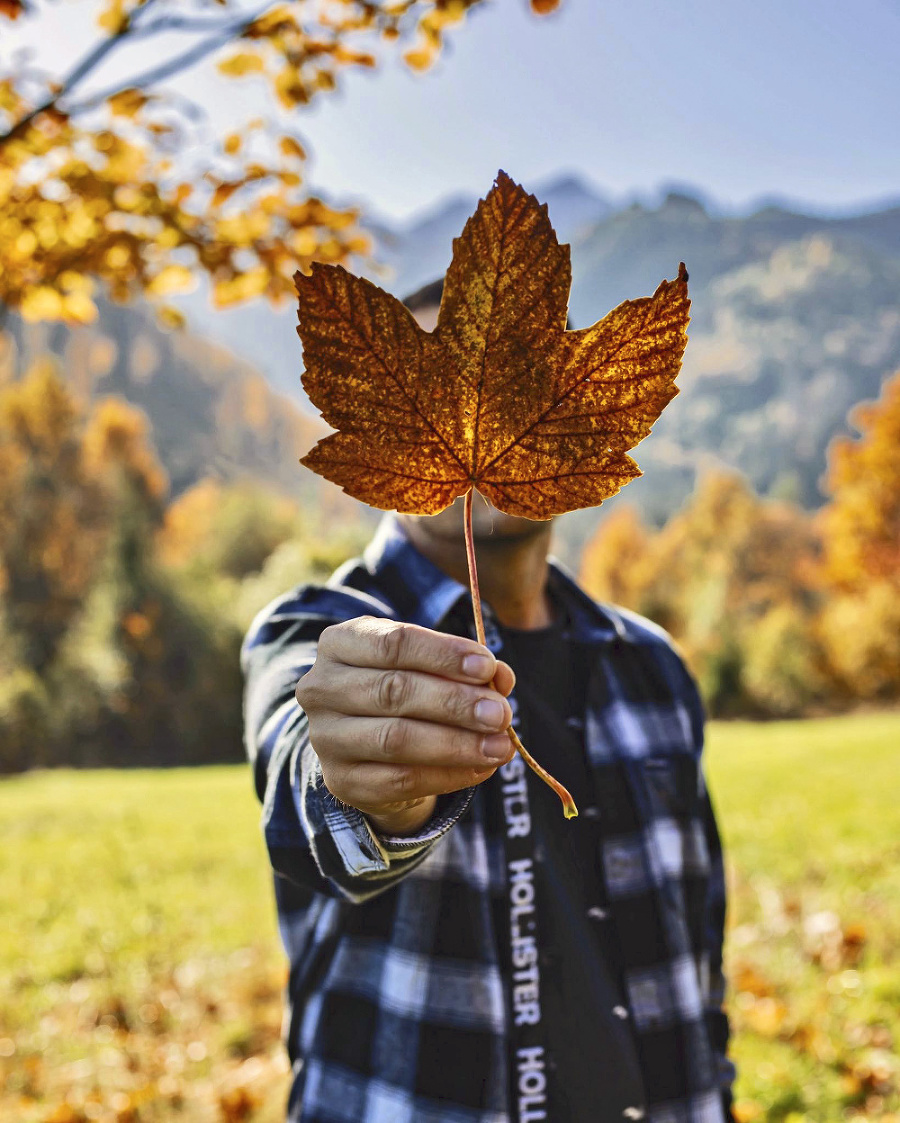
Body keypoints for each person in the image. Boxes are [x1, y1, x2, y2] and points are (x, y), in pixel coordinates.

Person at [241, 278, 736, 1123]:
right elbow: (304, 773)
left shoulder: (651, 663)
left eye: (521, 391)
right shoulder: (317, 629)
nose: (491, 422)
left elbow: (698, 948)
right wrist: (368, 784)